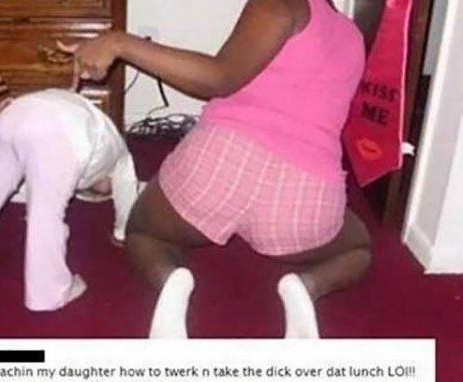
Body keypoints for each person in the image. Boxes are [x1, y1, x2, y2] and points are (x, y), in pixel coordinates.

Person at [60, 0, 371, 338]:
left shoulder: (279, 5)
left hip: (220, 166)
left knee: (143, 231)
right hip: (303, 198)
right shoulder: (353, 37)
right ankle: (306, 287)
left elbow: (218, 78)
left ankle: (172, 281)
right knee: (359, 247)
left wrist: (119, 43)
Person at [0, 76, 141, 312]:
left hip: (14, 116)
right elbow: (127, 189)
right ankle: (49, 292)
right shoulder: (119, 156)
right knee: (45, 213)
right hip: (58, 129)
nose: (102, 192)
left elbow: (21, 154)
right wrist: (122, 232)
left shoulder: (82, 130)